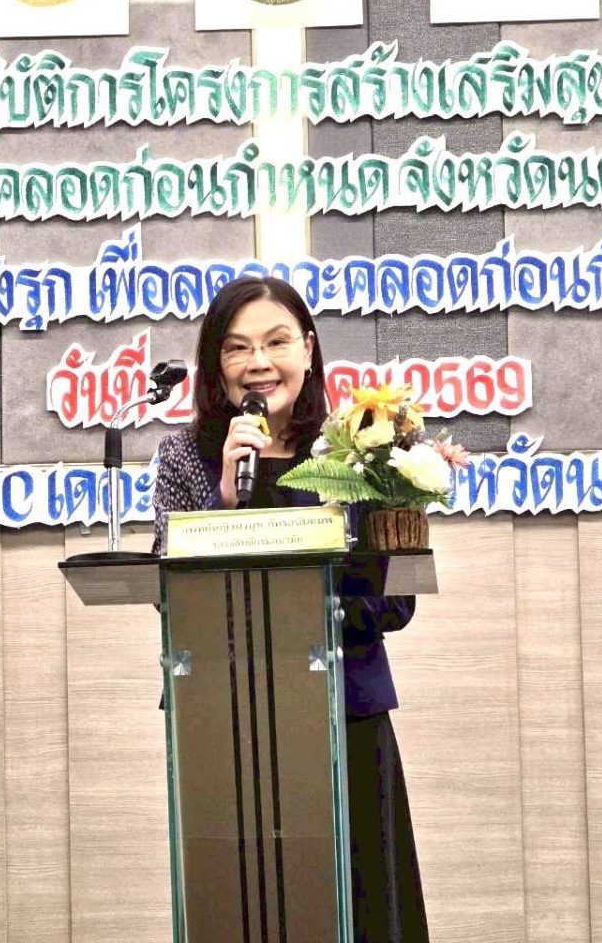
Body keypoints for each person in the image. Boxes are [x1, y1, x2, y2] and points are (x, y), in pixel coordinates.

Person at [152, 274, 429, 943]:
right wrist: (223, 500)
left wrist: (319, 610)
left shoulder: (358, 449)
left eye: (276, 342)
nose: (259, 362)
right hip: (225, 719)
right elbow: (170, 594)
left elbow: (395, 598)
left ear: (307, 349)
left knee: (361, 903)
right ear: (216, 365)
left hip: (344, 709)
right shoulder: (184, 456)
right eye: (237, 347)